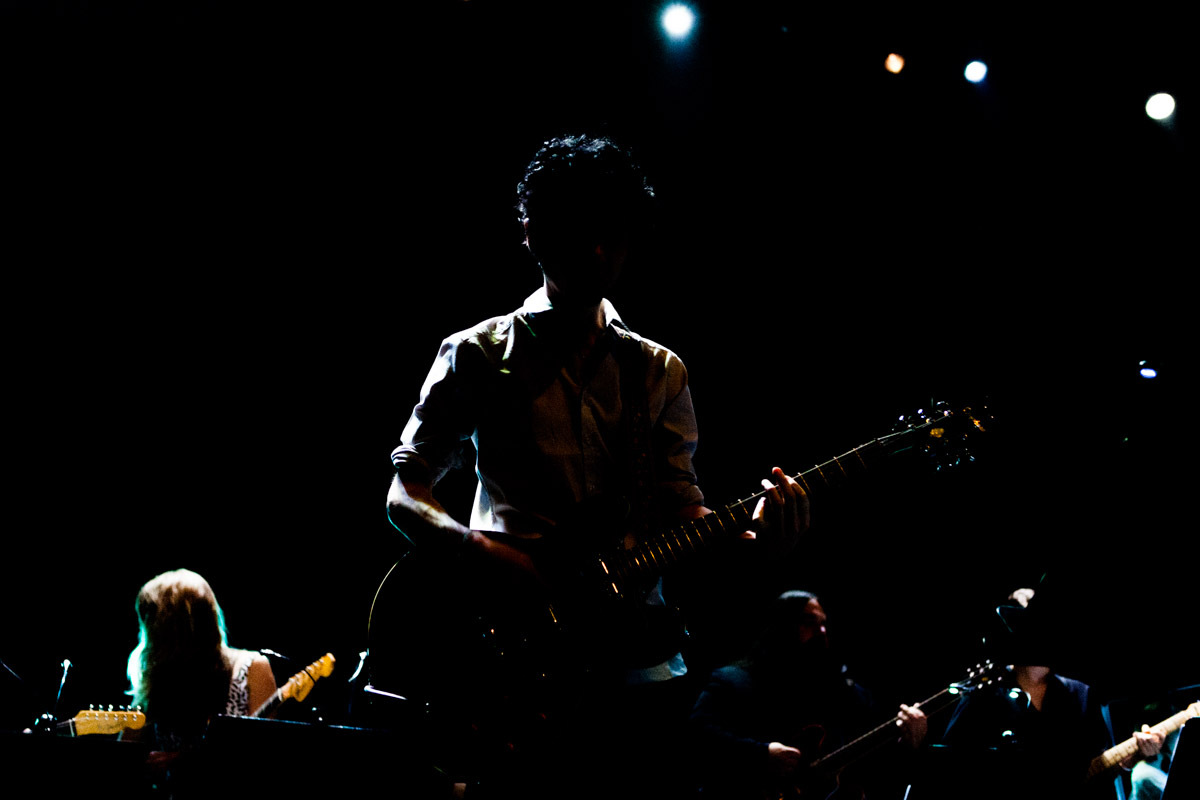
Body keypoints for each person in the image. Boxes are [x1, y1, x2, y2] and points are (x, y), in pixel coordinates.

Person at [384, 134, 808, 799]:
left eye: (613, 234)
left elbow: (681, 514)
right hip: (518, 674)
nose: (599, 251)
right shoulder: (476, 354)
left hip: (639, 675)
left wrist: (754, 543)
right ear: (531, 231)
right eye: (579, 230)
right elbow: (404, 497)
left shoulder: (658, 370)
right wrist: (481, 554)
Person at [688, 590, 928, 799]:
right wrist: (761, 754)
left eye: (823, 623)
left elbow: (871, 744)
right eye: (809, 622)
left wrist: (906, 743)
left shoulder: (839, 690)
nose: (822, 631)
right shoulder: (734, 679)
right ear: (780, 626)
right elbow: (698, 734)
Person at [933, 587, 1164, 800]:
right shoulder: (984, 694)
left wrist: (1131, 758)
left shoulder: (1080, 694)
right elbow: (950, 772)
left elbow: (1093, 773)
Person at [123, 568, 276, 755]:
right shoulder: (156, 677)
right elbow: (127, 751)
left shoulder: (252, 668)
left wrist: (180, 761)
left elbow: (267, 752)